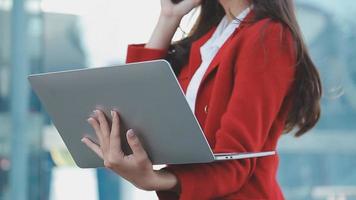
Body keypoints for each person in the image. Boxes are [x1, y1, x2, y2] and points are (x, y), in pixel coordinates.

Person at [81, 0, 322, 199]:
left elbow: (235, 160)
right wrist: (168, 18)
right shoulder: (213, 38)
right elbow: (132, 102)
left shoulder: (268, 35)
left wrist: (157, 180)